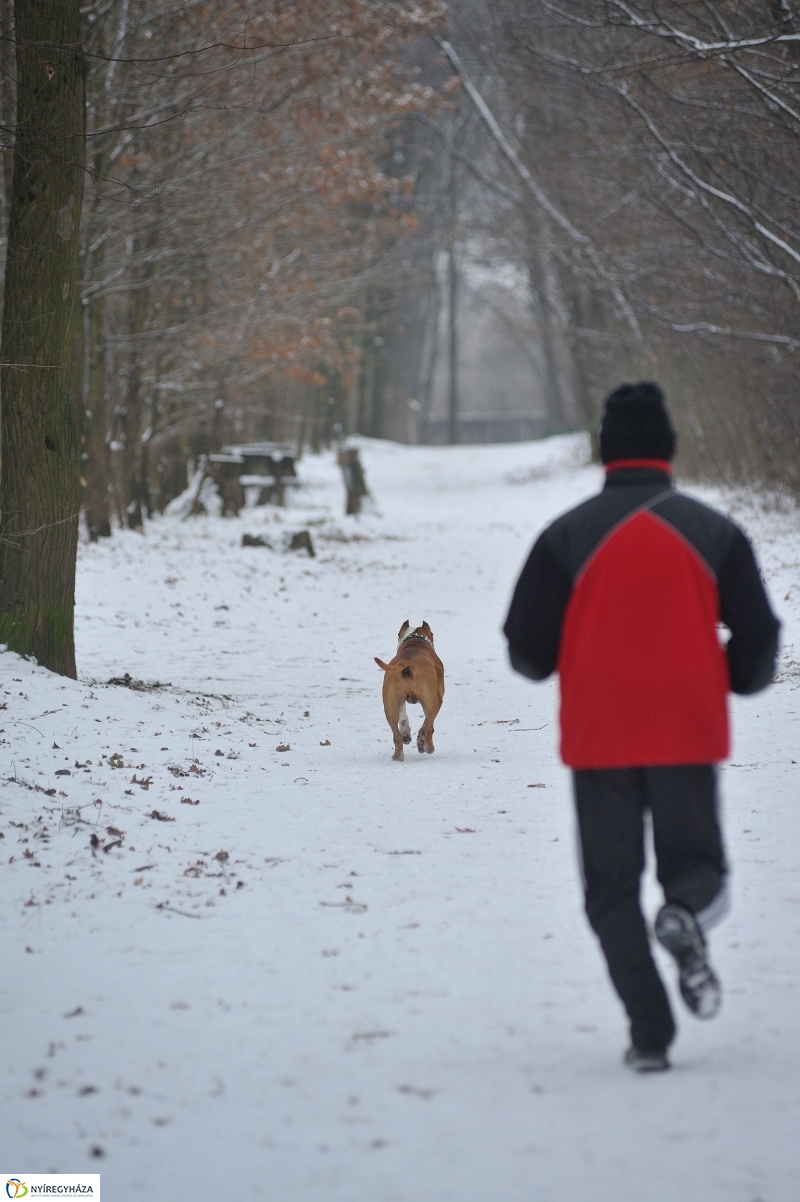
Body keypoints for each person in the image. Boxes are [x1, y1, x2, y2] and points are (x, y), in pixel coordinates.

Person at [503, 382, 780, 1072]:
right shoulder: (714, 532)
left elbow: (528, 653)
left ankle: (650, 1034)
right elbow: (760, 638)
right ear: (668, 451)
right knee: (698, 868)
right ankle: (684, 913)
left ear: (605, 452)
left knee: (610, 891)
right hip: (686, 730)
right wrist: (733, 674)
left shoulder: (565, 536)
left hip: (600, 738)